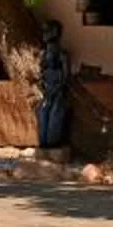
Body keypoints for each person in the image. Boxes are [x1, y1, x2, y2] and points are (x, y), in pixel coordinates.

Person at [35, 21, 69, 157]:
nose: (45, 35)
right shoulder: (43, 54)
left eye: (48, 31)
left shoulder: (62, 55)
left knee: (55, 112)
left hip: (57, 88)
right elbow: (40, 73)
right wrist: (44, 87)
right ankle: (43, 141)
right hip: (47, 88)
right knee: (43, 112)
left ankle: (52, 141)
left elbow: (66, 76)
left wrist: (57, 88)